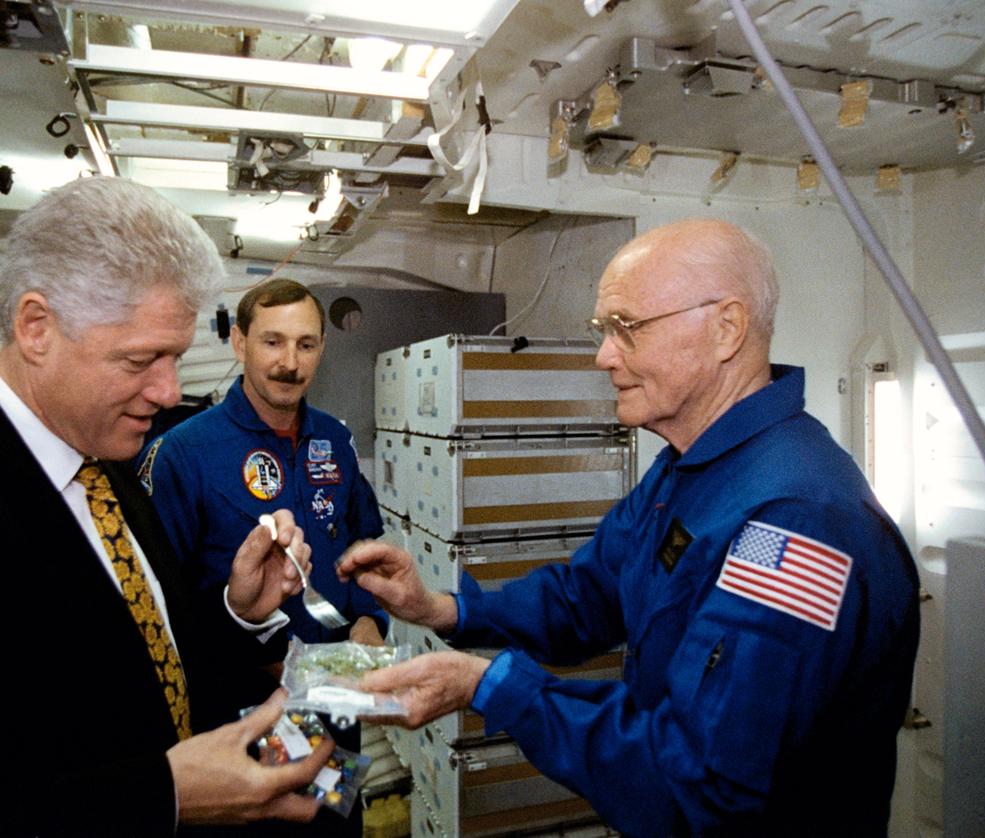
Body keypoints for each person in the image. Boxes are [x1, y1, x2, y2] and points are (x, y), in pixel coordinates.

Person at [0, 177, 333, 837]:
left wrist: (239, 612)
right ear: (36, 327)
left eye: (176, 358)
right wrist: (162, 796)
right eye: (141, 360)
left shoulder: (110, 469)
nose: (167, 391)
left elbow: (142, 667)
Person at [338, 218, 921, 836]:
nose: (603, 355)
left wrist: (491, 685)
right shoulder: (689, 467)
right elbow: (586, 595)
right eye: (603, 329)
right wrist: (441, 609)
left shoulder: (797, 523)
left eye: (627, 328)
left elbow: (698, 784)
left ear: (727, 328)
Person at [137, 278, 387, 837]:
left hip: (333, 711)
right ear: (239, 343)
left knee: (334, 825)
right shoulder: (184, 454)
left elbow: (362, 542)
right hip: (241, 720)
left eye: (305, 344)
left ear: (322, 347)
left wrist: (370, 620)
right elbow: (156, 610)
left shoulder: (333, 441)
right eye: (272, 342)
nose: (289, 363)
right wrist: (256, 656)